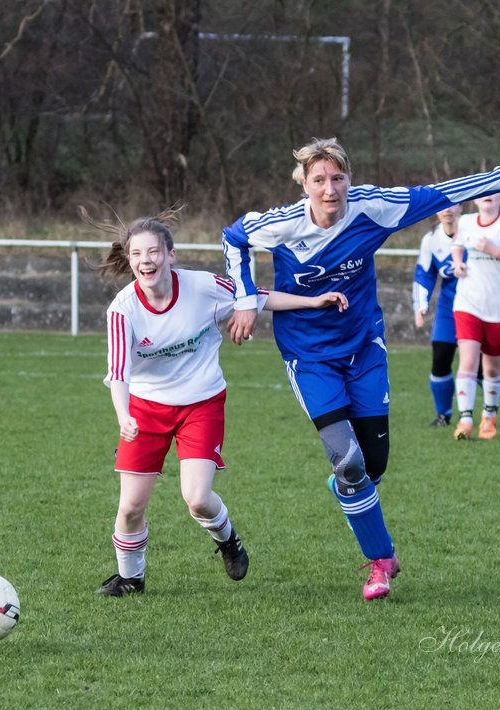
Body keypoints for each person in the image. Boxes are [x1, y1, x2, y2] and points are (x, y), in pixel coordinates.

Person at [221, 138, 500, 599]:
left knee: (373, 466)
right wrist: (245, 300)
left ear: (349, 179)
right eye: (319, 180)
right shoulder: (281, 223)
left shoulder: (373, 207)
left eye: (338, 178)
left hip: (364, 347)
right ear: (304, 185)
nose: (330, 190)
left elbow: (440, 193)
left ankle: (351, 490)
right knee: (348, 462)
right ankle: (381, 562)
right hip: (309, 355)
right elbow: (233, 238)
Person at [95, 209, 349, 596]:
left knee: (197, 499)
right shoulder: (123, 309)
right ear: (130, 261)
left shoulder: (202, 287)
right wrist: (123, 415)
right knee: (130, 507)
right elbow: (118, 374)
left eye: (153, 252)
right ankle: (131, 577)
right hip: (145, 409)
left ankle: (227, 540)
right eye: (137, 255)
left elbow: (256, 297)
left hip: (202, 403)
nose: (146, 261)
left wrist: (313, 302)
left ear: (171, 255)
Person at [449, 191, 500, 440]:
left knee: (492, 367)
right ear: (475, 198)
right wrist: (457, 263)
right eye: (484, 191)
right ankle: (465, 421)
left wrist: (494, 250)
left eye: (495, 191)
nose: (488, 195)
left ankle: (489, 415)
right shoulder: (465, 222)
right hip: (468, 302)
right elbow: (456, 244)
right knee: (467, 360)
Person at [412, 203, 465, 426]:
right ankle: (443, 415)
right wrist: (420, 305)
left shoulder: (473, 233)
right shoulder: (431, 239)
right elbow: (424, 274)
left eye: (454, 204)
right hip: (448, 309)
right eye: (443, 205)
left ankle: (486, 414)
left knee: (481, 366)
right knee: (441, 358)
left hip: (476, 307)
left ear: (462, 207)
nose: (448, 210)